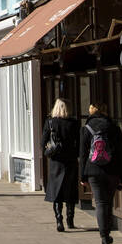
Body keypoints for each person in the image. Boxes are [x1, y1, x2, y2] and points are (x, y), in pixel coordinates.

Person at [80, 101, 122, 244]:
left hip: (93, 170)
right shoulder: (114, 128)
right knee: (108, 203)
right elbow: (121, 152)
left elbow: (82, 154)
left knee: (100, 203)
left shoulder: (86, 128)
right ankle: (107, 234)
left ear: (92, 112)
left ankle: (104, 240)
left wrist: (83, 176)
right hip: (112, 170)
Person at [41, 98, 80, 232]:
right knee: (70, 191)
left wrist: (48, 151)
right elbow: (79, 144)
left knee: (56, 192)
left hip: (56, 161)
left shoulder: (50, 122)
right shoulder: (74, 123)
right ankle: (70, 219)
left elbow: (42, 142)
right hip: (70, 161)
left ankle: (59, 219)